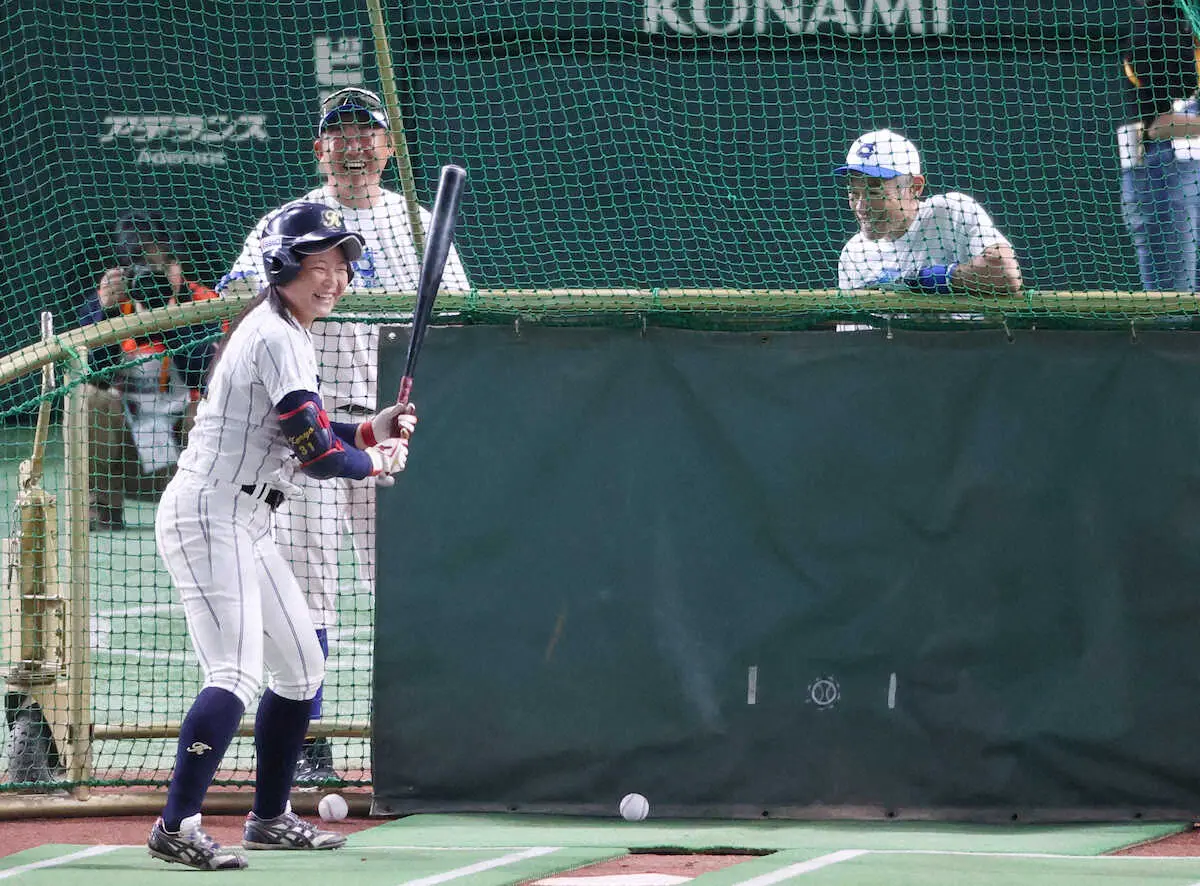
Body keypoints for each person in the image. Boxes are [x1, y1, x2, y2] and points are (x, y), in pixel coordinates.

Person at [147, 201, 418, 870]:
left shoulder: (290, 332)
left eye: (341, 268)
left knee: (301, 669)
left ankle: (268, 818)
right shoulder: (273, 336)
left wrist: (372, 430)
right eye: (318, 265)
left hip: (249, 522)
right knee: (235, 674)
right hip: (209, 517)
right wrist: (376, 461)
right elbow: (322, 460)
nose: (333, 279)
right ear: (283, 265)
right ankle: (175, 826)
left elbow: (315, 439)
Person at [218, 86, 469, 783]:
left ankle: (425, 730)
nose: (354, 145)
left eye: (368, 133)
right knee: (306, 591)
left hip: (389, 421)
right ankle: (308, 741)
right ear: (319, 149)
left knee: (408, 581)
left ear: (388, 149)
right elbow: (238, 302)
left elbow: (458, 320)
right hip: (307, 430)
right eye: (340, 134)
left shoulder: (417, 223)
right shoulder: (287, 221)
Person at [80, 211, 219, 531]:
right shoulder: (110, 305)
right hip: (128, 461)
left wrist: (170, 321)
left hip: (185, 461)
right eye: (139, 268)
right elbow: (92, 373)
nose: (149, 279)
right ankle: (102, 506)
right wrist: (105, 313)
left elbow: (204, 374)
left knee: (207, 406)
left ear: (177, 263)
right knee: (90, 398)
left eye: (157, 267)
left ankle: (202, 508)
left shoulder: (204, 302)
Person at [835, 129, 1024, 298]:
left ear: (914, 187)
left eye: (875, 192)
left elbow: (1006, 274)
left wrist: (921, 279)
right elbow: (852, 331)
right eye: (854, 192)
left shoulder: (951, 211)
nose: (861, 206)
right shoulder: (855, 253)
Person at [1119, 0, 1200, 292]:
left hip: (1184, 172)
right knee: (1174, 302)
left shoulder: (1187, 22)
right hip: (1167, 174)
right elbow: (1157, 125)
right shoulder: (1156, 27)